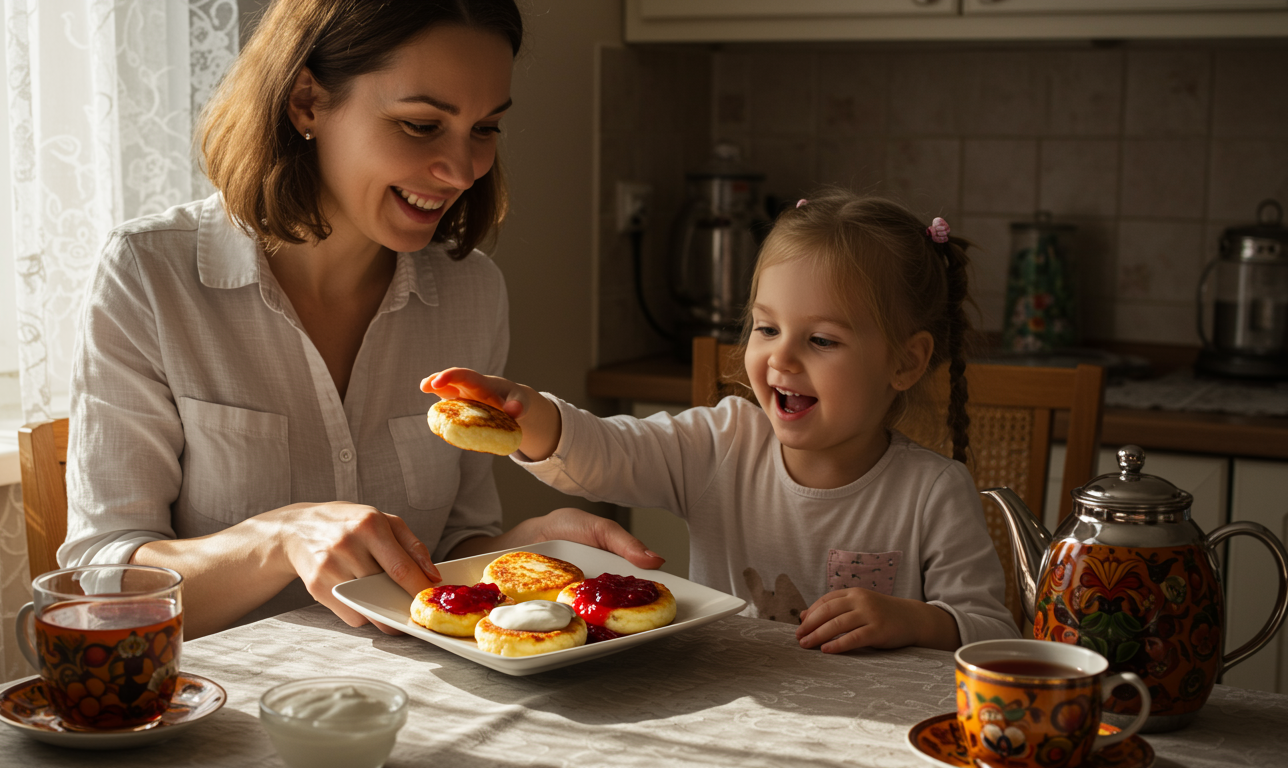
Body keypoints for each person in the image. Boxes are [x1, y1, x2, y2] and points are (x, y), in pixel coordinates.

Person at [59, 0, 661, 639]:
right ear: (306, 103)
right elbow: (105, 591)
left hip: (422, 704)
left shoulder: (472, 291)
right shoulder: (150, 275)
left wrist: (525, 544)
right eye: (422, 125)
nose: (463, 170)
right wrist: (279, 538)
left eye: (485, 129)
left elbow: (454, 543)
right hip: (228, 716)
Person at [421, 189, 1021, 653]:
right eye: (766, 328)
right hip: (728, 710)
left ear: (905, 361)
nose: (781, 358)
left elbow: (992, 635)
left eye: (820, 339)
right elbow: (607, 453)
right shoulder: (722, 443)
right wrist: (531, 415)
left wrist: (913, 619)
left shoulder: (933, 492)